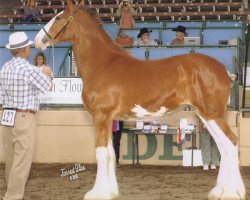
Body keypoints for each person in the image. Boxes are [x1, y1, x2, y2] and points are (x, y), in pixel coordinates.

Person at [0, 31, 52, 200]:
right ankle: (13, 196)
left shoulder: (5, 67)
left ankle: (11, 190)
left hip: (7, 115)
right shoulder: (28, 69)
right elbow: (47, 86)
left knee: (11, 157)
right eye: (28, 46)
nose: (30, 48)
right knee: (22, 159)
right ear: (23, 50)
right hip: (24, 117)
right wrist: (47, 72)